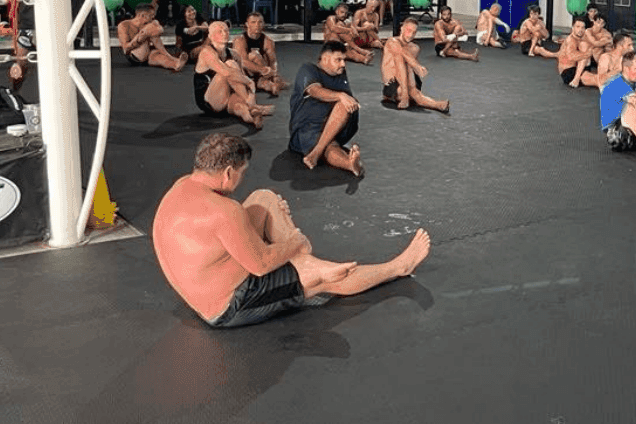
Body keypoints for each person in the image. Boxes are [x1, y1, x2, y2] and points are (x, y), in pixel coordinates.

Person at [152, 133, 430, 328]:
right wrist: (295, 243)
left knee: (263, 198)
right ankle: (397, 267)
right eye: (241, 173)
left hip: (200, 284)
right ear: (227, 173)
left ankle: (306, 262)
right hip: (226, 307)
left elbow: (221, 227)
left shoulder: (183, 186)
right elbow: (261, 266)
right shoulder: (225, 212)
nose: (240, 178)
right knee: (319, 278)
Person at [289, 40, 363, 175]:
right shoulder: (308, 69)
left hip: (336, 127)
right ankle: (346, 162)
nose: (343, 64)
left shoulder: (340, 73)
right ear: (325, 58)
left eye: (344, 60)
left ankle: (321, 155)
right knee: (330, 147)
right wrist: (341, 96)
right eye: (338, 60)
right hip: (308, 129)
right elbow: (314, 91)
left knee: (343, 106)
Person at [194, 20, 272, 129]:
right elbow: (227, 73)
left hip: (226, 97)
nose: (224, 33)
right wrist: (249, 82)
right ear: (211, 36)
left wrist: (249, 91)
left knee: (239, 107)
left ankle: (252, 117)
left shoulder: (234, 54)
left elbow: (240, 81)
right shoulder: (207, 52)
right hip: (210, 101)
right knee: (230, 65)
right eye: (219, 31)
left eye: (226, 30)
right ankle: (252, 105)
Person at [382, 16, 450, 112]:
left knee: (414, 91)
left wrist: (415, 67)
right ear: (401, 28)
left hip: (409, 81)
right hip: (392, 82)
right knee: (400, 57)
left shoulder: (415, 48)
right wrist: (417, 66)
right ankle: (406, 95)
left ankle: (436, 104)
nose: (410, 35)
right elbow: (401, 52)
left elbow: (408, 66)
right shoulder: (391, 42)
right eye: (408, 31)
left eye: (414, 32)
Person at [118, 1, 188, 71]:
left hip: (149, 53)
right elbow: (126, 49)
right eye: (151, 15)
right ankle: (170, 56)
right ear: (142, 15)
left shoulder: (151, 23)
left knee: (158, 56)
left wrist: (151, 30)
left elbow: (160, 30)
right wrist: (141, 35)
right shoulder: (124, 25)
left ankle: (175, 64)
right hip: (135, 55)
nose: (153, 17)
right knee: (150, 29)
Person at [233, 11, 288, 96]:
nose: (257, 25)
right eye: (253, 22)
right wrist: (262, 69)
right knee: (255, 55)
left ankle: (270, 85)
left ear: (263, 24)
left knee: (276, 82)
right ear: (247, 24)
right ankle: (267, 83)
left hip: (261, 74)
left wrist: (274, 75)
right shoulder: (240, 40)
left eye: (260, 22)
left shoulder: (268, 41)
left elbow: (273, 61)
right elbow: (243, 63)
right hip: (245, 73)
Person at [557, 16, 600, 88]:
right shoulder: (571, 40)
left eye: (583, 27)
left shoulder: (584, 38)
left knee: (585, 46)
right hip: (568, 71)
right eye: (578, 27)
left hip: (581, 67)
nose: (580, 30)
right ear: (573, 27)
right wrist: (587, 54)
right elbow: (571, 57)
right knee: (595, 79)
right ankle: (576, 79)